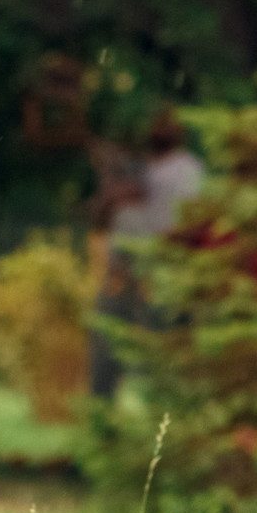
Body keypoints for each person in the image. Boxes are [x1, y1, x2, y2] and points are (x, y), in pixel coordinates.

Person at [86, 113, 202, 401]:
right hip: (123, 270)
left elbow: (188, 225)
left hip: (160, 272)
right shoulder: (140, 169)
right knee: (107, 344)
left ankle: (163, 420)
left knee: (161, 352)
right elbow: (103, 213)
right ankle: (104, 418)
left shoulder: (186, 170)